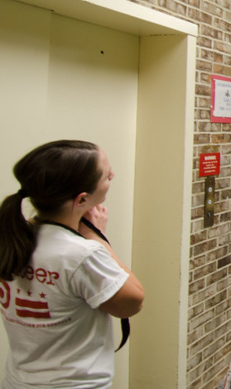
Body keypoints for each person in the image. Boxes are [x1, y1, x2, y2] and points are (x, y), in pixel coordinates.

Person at [0, 140, 144, 388]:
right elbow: (132, 302)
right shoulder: (82, 254)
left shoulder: (11, 238)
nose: (113, 176)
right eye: (106, 176)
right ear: (81, 201)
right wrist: (97, 237)